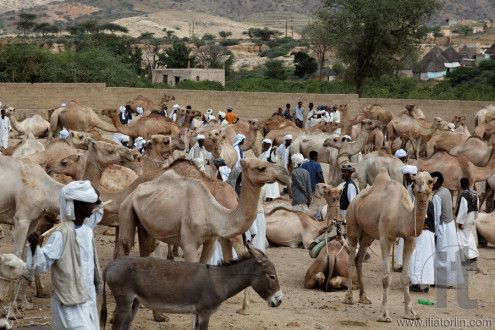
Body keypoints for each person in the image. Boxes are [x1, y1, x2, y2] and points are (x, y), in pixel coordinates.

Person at [27, 180, 103, 330]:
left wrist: (96, 196)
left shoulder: (87, 227)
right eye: (89, 202)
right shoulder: (61, 235)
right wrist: (34, 247)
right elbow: (40, 265)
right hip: (69, 303)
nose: (93, 206)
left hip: (87, 298)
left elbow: (99, 210)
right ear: (80, 206)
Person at [431, 171, 464, 287]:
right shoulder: (446, 192)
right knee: (450, 254)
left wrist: (434, 234)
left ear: (436, 182)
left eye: (431, 182)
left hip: (442, 228)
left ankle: (440, 281)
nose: (430, 185)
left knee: (441, 255)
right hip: (450, 226)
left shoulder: (437, 197)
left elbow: (436, 217)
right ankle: (449, 280)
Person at [409, 198, 436, 293]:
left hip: (423, 234)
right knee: (423, 259)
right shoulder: (430, 203)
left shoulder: (421, 203)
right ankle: (421, 284)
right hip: (427, 234)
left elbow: (423, 221)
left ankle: (421, 285)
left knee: (419, 259)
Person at [395, 165, 417, 272]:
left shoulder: (414, 187)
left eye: (407, 175)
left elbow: (412, 203)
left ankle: (406, 265)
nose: (406, 177)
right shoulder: (410, 186)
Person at [455, 177, 480, 262]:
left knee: (461, 236)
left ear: (461, 185)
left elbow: (463, 209)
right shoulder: (474, 193)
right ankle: (473, 255)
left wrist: (460, 222)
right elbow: (477, 206)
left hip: (465, 217)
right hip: (472, 216)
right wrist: (474, 218)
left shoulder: (464, 195)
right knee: (469, 235)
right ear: (469, 184)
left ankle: (465, 256)